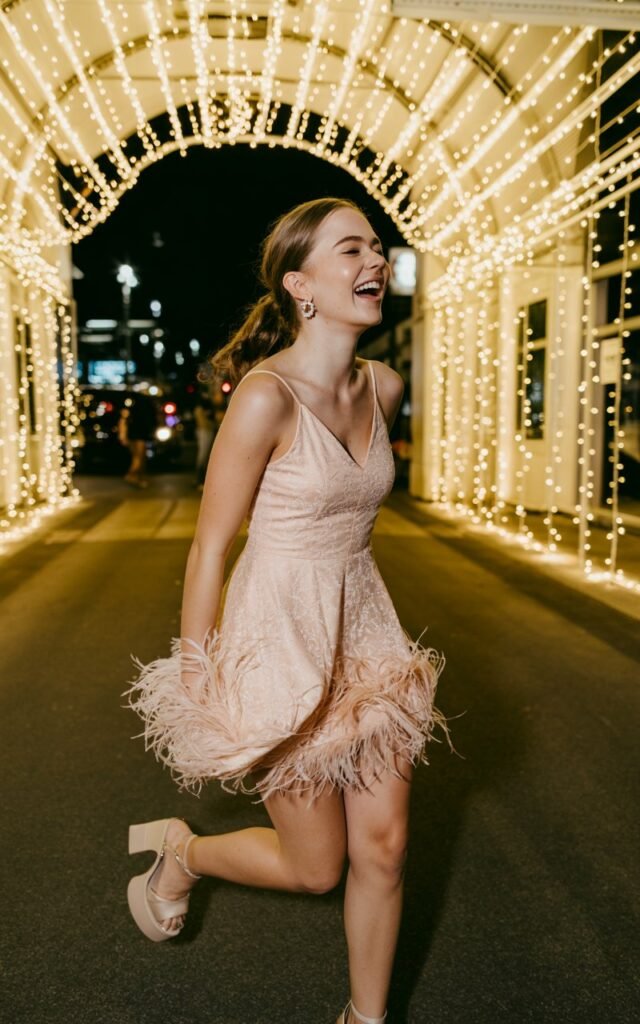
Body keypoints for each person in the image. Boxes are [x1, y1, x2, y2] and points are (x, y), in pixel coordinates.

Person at [125, 198, 451, 1024]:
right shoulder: (266, 399)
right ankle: (183, 852)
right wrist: (198, 672)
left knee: (385, 848)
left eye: (377, 247)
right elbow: (210, 548)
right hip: (277, 639)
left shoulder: (384, 384)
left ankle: (364, 1018)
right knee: (316, 868)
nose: (374, 262)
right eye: (352, 250)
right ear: (302, 285)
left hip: (366, 635)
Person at [118, 392, 157, 488]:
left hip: (136, 433)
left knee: (139, 457)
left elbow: (123, 419)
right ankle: (131, 475)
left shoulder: (134, 403)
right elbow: (124, 419)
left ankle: (137, 478)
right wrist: (122, 434)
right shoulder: (139, 404)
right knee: (139, 457)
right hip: (138, 434)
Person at [192, 387, 217, 491]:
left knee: (207, 456)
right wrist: (207, 426)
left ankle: (203, 481)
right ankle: (199, 481)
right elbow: (198, 413)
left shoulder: (211, 398)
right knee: (203, 456)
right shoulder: (201, 397)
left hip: (208, 429)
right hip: (204, 430)